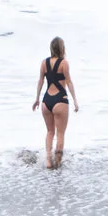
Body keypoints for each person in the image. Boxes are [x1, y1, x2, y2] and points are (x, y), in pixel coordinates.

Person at [30, 35, 79, 169]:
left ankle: (48, 161)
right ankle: (57, 163)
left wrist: (37, 99)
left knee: (49, 132)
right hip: (60, 100)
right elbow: (68, 81)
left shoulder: (44, 63)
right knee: (60, 134)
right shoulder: (64, 63)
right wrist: (75, 100)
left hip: (46, 101)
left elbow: (40, 81)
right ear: (62, 48)